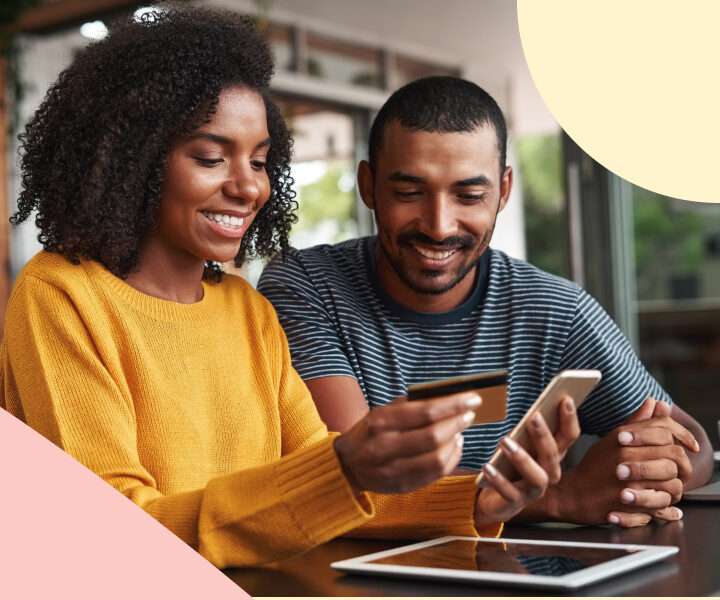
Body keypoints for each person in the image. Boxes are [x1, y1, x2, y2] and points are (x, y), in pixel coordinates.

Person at [0, 10, 575, 569]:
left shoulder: (246, 309)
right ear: (135, 160)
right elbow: (115, 535)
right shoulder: (62, 296)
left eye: (259, 160)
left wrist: (477, 498)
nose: (248, 186)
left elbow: (316, 486)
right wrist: (344, 468)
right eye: (209, 157)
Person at [258, 76, 713, 528]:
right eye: (409, 192)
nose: (439, 226)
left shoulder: (554, 310)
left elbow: (695, 445)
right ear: (369, 186)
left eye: (469, 195)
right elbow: (352, 479)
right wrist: (562, 497)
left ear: (504, 191)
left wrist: (641, 471)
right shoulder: (306, 287)